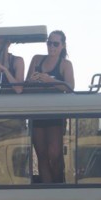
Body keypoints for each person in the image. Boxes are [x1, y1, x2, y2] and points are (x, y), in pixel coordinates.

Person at [27, 30, 75, 183]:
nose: (51, 46)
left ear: (63, 46)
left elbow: (70, 87)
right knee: (41, 154)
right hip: (36, 112)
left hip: (56, 114)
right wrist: (34, 80)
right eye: (49, 43)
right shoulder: (37, 59)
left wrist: (50, 81)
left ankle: (59, 186)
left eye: (56, 43)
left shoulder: (65, 65)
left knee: (54, 153)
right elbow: (25, 84)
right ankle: (47, 191)